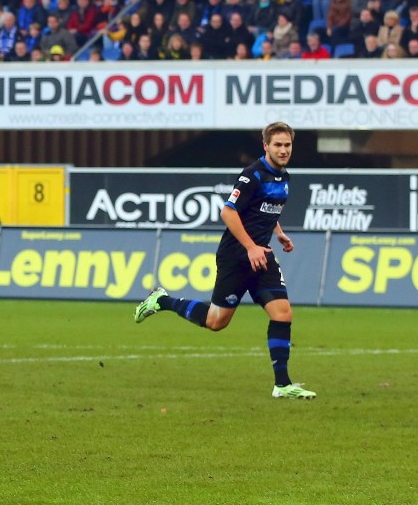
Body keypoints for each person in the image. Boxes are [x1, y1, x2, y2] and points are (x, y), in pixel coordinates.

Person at [133, 122, 316, 400]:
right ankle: (162, 301)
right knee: (217, 322)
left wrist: (278, 234)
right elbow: (228, 212)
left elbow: (266, 210)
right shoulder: (252, 175)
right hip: (236, 256)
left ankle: (282, 384)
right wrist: (251, 246)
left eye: (287, 145)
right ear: (265, 146)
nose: (283, 150)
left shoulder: (284, 177)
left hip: (261, 254)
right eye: (277, 145)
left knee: (283, 313)